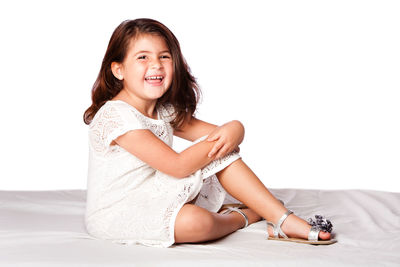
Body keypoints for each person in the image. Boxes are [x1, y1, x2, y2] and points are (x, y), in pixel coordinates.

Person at [83, 18, 336, 248]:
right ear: (118, 70)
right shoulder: (115, 115)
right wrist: (223, 138)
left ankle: (282, 219)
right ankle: (246, 216)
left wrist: (237, 128)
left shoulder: (163, 111)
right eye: (142, 58)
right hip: (117, 211)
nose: (155, 65)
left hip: (154, 193)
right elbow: (177, 166)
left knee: (219, 146)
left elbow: (220, 136)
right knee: (196, 221)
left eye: (164, 56)